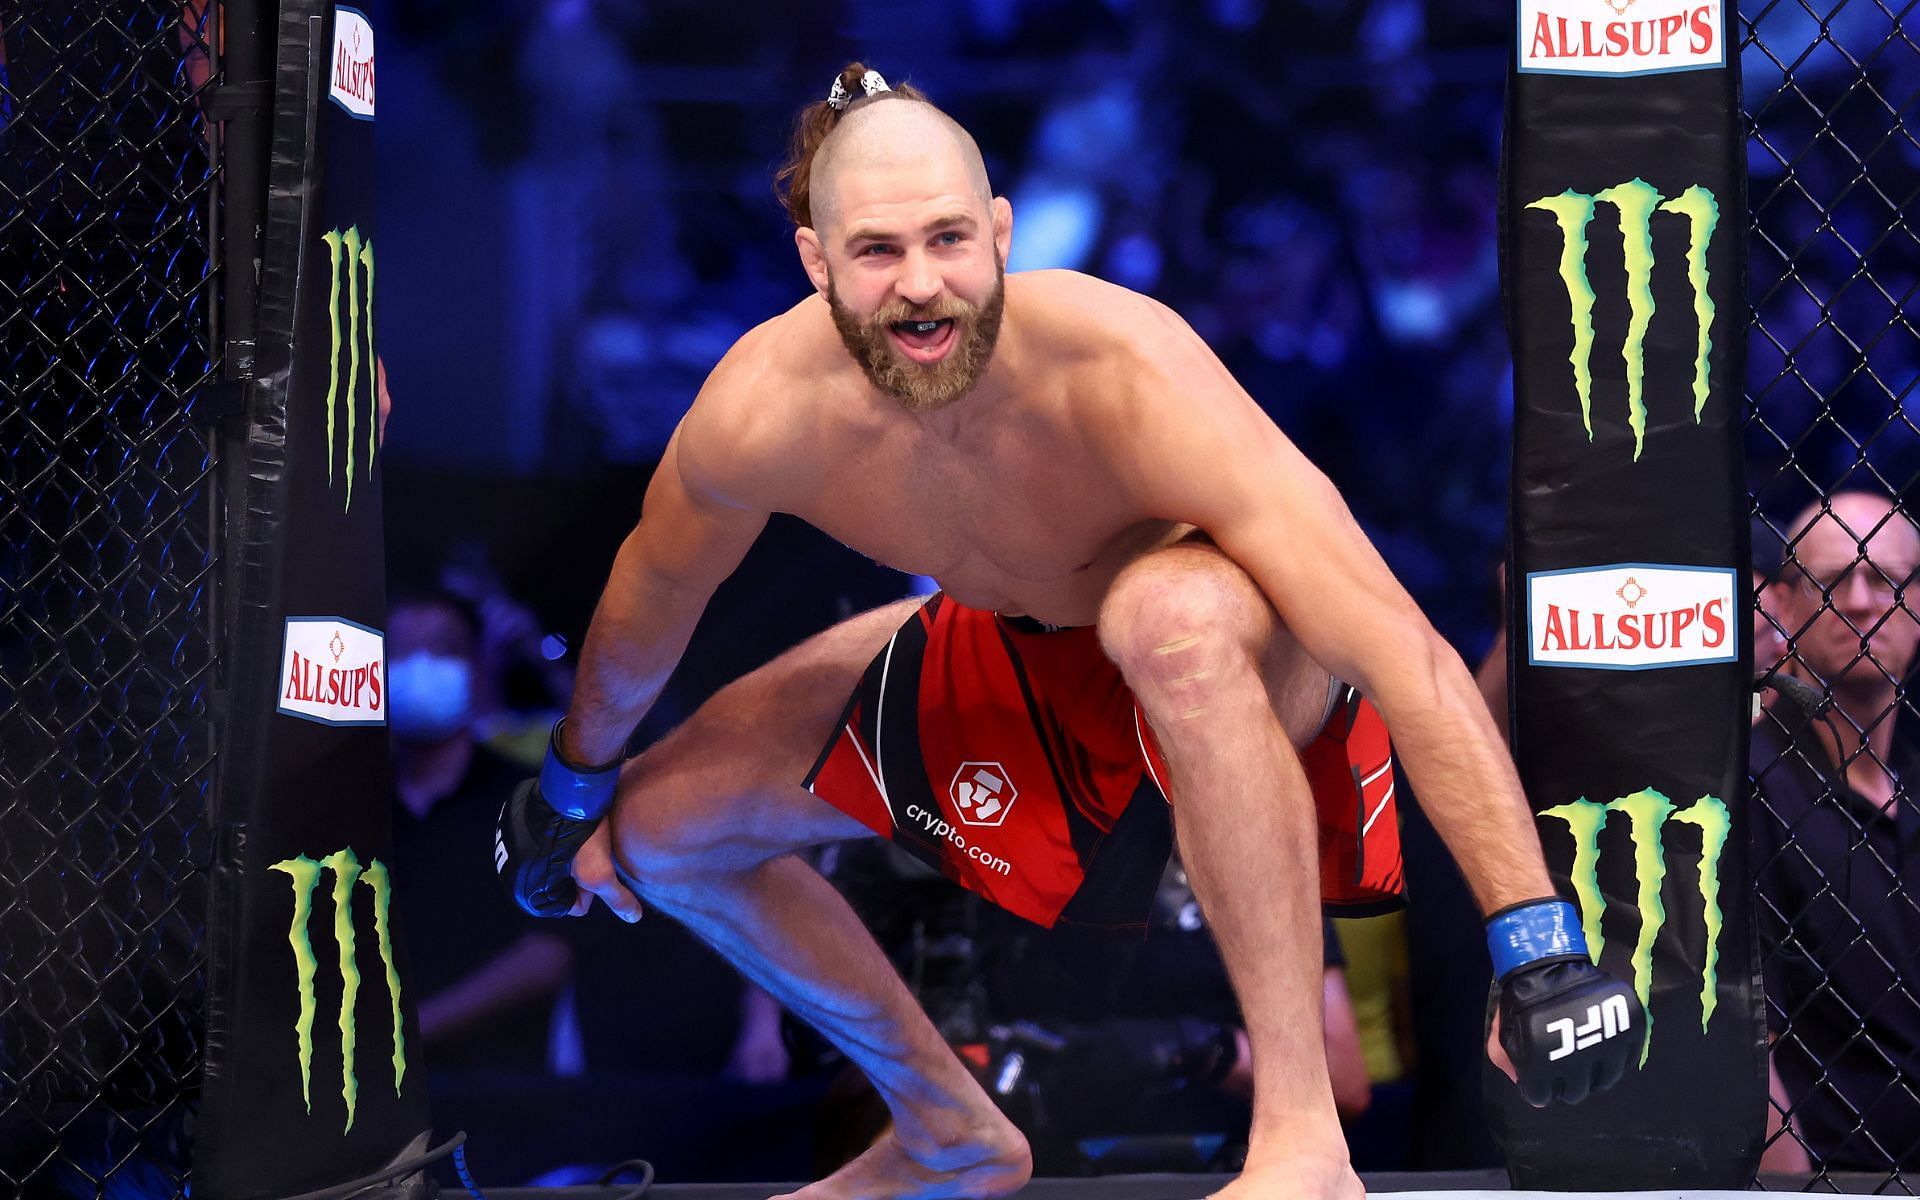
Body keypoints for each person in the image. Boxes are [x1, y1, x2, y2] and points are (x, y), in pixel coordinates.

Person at [496, 64, 1641, 1200]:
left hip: (1230, 668)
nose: (921, 288)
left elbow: (1402, 652)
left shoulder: (1121, 366)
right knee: (655, 832)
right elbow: (649, 599)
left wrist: (1533, 947)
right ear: (816, 262)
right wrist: (573, 783)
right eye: (878, 252)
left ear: (1001, 233)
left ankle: (1300, 1142)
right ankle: (948, 1130)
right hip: (1017, 660)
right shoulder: (759, 411)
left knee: (1165, 613)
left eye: (949, 240)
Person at [1750, 491, 1919, 1171]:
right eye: (1831, 581)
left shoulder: (1911, 773)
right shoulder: (1749, 790)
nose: (1860, 600)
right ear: (1786, 608)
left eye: (1885, 579)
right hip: (1835, 1182)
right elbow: (1741, 1047)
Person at [387, 592, 572, 1069]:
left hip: (499, 1089)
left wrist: (410, 1032)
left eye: (442, 648)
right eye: (401, 650)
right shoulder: (346, 800)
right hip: (353, 1089)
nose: (420, 664)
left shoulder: (528, 799)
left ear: (477, 669)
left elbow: (549, 952)